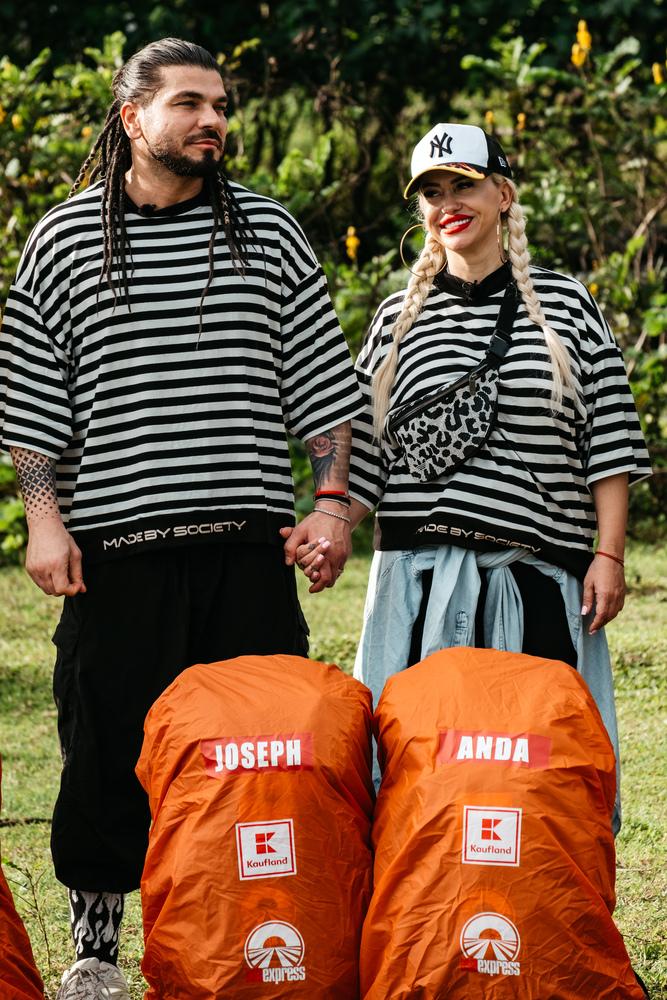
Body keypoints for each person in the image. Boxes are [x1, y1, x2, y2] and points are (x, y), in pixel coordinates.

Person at [0, 37, 362, 999]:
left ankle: (256, 936)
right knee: (105, 754)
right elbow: (33, 403)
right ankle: (97, 953)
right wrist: (43, 519)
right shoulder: (65, 239)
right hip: (116, 551)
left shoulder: (267, 232)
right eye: (191, 103)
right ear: (132, 117)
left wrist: (331, 503)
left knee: (260, 756)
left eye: (222, 105)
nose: (213, 121)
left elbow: (322, 386)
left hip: (245, 550)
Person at [297, 122, 650, 798]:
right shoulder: (396, 319)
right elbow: (368, 457)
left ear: (503, 194)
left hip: (534, 575)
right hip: (419, 581)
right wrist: (333, 523)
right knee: (416, 779)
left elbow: (607, 439)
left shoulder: (567, 306)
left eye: (463, 185)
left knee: (535, 776)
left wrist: (608, 554)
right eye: (431, 192)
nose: (447, 203)